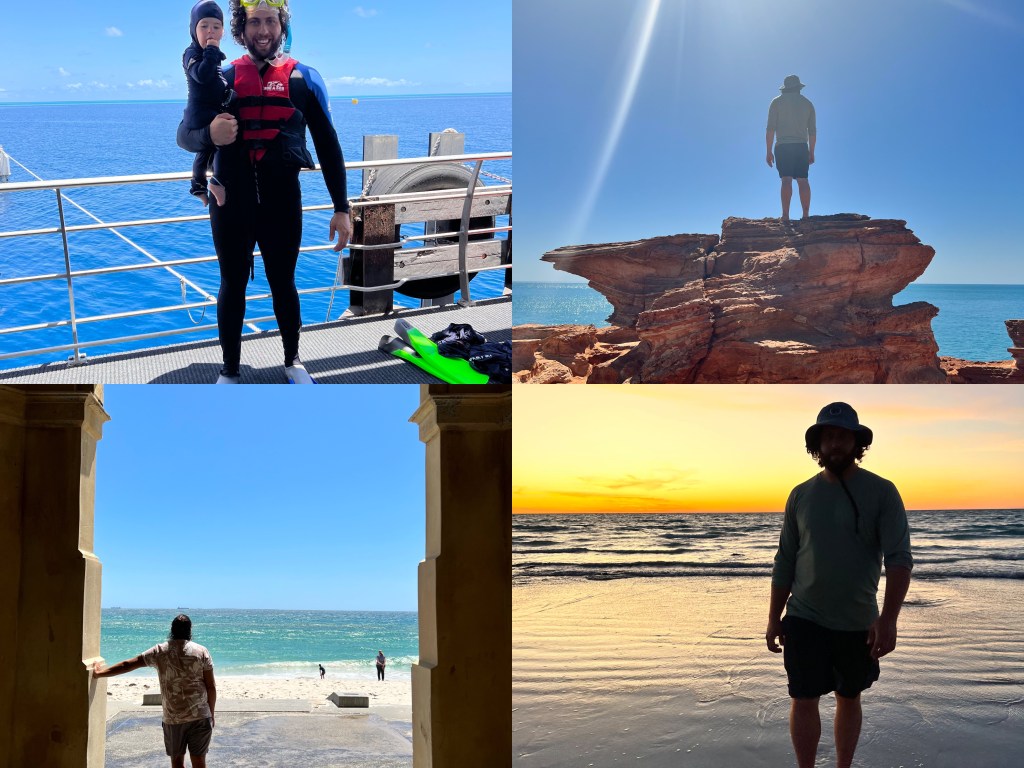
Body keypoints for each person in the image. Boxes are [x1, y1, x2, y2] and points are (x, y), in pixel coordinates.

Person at [176, 0, 353, 385]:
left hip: (282, 202)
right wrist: (209, 134)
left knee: (283, 283)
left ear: (281, 25)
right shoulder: (219, 77)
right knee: (232, 283)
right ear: (240, 28)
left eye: (270, 21)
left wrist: (342, 207)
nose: (263, 30)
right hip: (230, 203)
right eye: (254, 21)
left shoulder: (305, 78)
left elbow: (328, 144)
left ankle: (293, 361)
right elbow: (185, 135)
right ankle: (230, 370)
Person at [766, 403, 913, 768]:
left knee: (849, 696)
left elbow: (899, 559)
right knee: (803, 697)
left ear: (856, 443)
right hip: (803, 617)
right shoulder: (800, 495)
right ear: (817, 445)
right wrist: (773, 616)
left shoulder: (882, 492)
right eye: (827, 436)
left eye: (842, 436)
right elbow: (785, 559)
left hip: (858, 622)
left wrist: (889, 619)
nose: (835, 444)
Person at [93, 614, 216, 768]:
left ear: (171, 630)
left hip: (173, 718)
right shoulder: (202, 651)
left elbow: (128, 664)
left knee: (177, 763)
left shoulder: (159, 651)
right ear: (190, 630)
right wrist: (211, 712)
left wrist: (100, 673)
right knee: (199, 762)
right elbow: (211, 686)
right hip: (200, 716)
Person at [182, 0, 233, 208]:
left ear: (223, 32)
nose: (210, 32)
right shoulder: (191, 54)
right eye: (204, 26)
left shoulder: (215, 58)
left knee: (205, 153)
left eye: (216, 27)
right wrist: (212, 51)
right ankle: (217, 183)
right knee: (222, 141)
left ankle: (198, 186)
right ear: (194, 30)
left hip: (210, 110)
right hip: (200, 113)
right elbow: (202, 76)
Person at [765, 75, 816, 221]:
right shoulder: (808, 104)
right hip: (801, 146)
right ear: (799, 87)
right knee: (803, 180)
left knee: (786, 180)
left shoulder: (776, 102)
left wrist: (768, 151)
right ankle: (806, 216)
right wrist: (811, 152)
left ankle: (785, 216)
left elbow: (770, 129)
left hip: (783, 146)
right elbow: (812, 131)